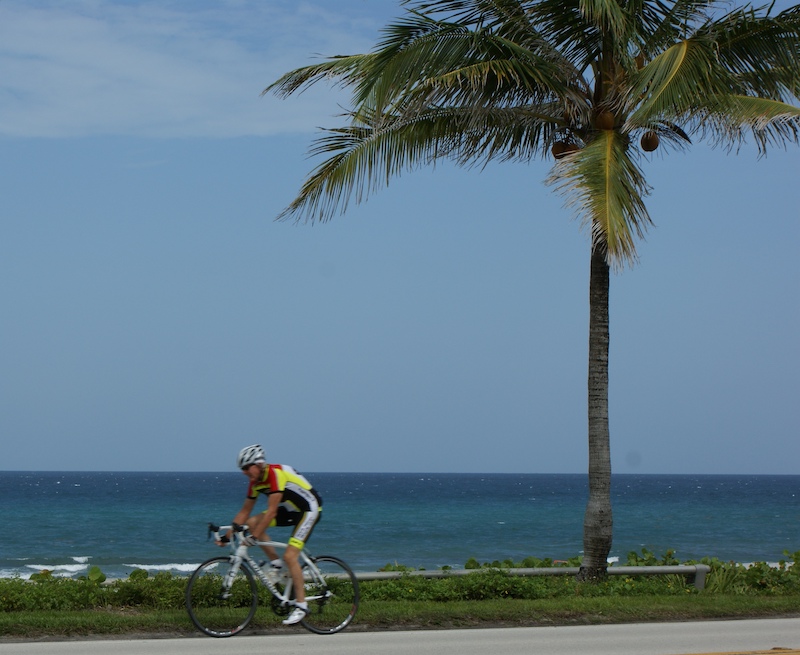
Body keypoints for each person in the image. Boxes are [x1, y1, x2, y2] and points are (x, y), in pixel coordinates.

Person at [220, 444, 323, 626]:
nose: (244, 472)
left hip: (309, 509)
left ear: (258, 464)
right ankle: (276, 564)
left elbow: (272, 512)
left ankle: (301, 605)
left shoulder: (274, 474)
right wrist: (227, 536)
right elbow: (245, 512)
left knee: (291, 556)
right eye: (241, 469)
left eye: (246, 468)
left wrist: (254, 537)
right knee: (252, 523)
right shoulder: (255, 482)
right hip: (291, 509)